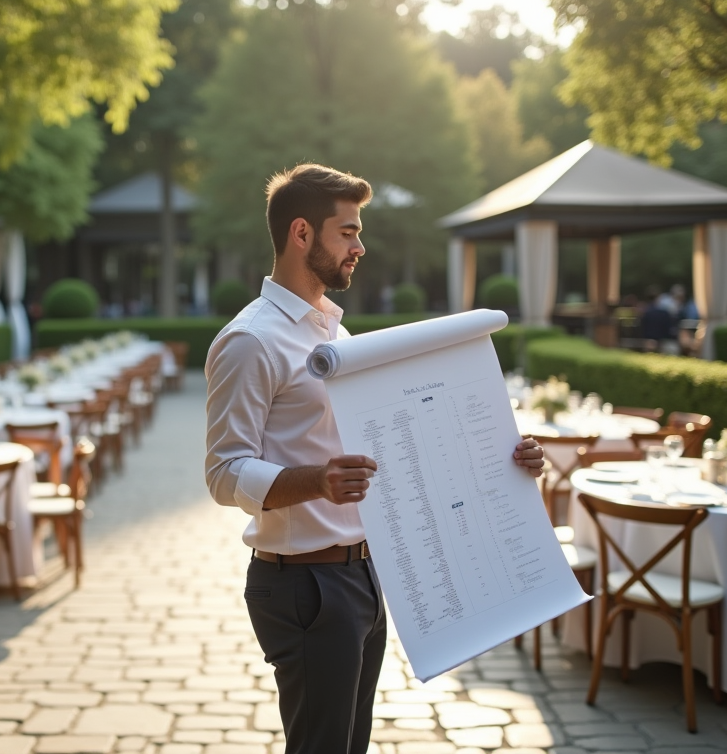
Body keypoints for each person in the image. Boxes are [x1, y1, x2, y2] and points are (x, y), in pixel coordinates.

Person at [204, 163, 547, 754]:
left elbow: (397, 446)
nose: (360, 247)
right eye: (348, 232)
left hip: (362, 574)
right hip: (304, 583)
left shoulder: (335, 336)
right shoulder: (250, 340)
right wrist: (318, 482)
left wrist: (499, 457)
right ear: (302, 234)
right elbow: (223, 472)